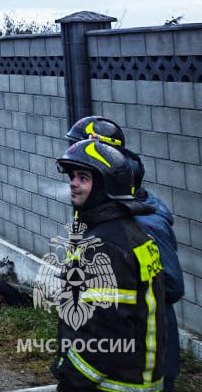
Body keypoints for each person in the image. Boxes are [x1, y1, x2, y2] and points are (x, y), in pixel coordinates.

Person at [66, 116, 183, 391]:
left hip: (145, 358)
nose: (74, 181)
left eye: (83, 173)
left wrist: (121, 294)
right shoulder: (101, 211)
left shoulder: (142, 225)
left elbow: (172, 285)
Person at [52, 138, 164, 391]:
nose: (73, 183)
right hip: (136, 378)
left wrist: (73, 381)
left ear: (106, 186)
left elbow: (106, 333)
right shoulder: (130, 233)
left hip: (111, 383)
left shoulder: (106, 245)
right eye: (72, 176)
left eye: (83, 177)